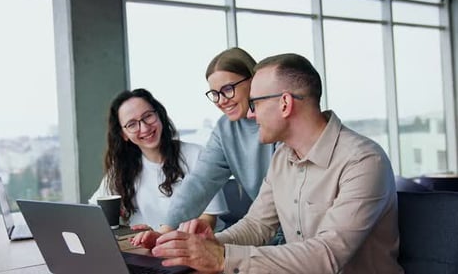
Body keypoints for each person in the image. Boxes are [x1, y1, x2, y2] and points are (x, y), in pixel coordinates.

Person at [150, 53, 403, 273]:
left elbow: (327, 255)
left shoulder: (363, 161)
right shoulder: (283, 157)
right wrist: (212, 244)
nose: (250, 114)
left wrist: (222, 257)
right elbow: (257, 225)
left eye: (255, 103)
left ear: (285, 104)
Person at [131, 47, 280, 247]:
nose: (221, 101)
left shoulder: (278, 122)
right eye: (215, 94)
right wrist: (166, 230)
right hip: (264, 232)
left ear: (253, 80)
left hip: (298, 234)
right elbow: (199, 183)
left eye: (228, 89)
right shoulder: (225, 129)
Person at [88, 88, 228, 232]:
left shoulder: (196, 155)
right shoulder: (121, 169)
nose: (144, 128)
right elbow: (93, 212)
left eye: (148, 116)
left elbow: (209, 219)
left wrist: (162, 236)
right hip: (150, 250)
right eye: (132, 124)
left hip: (198, 246)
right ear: (123, 134)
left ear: (159, 115)